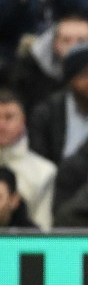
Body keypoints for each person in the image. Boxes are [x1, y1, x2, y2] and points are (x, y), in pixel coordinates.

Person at [0, 89, 56, 229]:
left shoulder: (44, 171)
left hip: (24, 245)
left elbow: (43, 227)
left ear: (23, 121)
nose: (1, 125)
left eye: (8, 117)